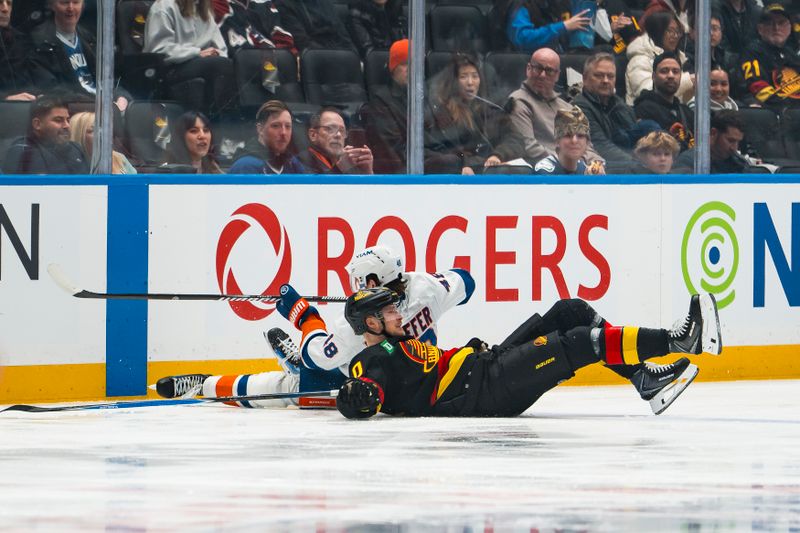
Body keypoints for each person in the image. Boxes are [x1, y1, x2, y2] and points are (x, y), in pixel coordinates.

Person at [154, 244, 476, 408]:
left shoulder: (359, 323)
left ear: (373, 281)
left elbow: (315, 356)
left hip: (383, 390)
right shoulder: (428, 287)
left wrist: (303, 316)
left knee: (291, 388)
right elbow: (467, 281)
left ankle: (206, 385)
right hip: (423, 383)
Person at [335, 287, 721, 419]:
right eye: (388, 311)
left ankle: (645, 381)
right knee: (578, 341)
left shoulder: (396, 343)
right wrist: (358, 397)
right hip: (485, 390)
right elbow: (368, 389)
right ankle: (676, 341)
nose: (398, 313)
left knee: (571, 310)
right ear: (371, 324)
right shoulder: (372, 359)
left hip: (489, 366)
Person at [425, 54, 525, 175]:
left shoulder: (490, 110)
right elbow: (443, 151)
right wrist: (465, 164)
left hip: (490, 169)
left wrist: (497, 155)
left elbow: (514, 139)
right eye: (463, 77)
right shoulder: (441, 114)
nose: (470, 82)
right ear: (453, 82)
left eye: (475, 76)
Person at [508, 48, 603, 166]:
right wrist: (572, 163)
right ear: (528, 69)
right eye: (538, 68)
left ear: (557, 75)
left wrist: (596, 163)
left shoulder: (567, 107)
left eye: (549, 71)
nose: (542, 75)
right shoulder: (517, 101)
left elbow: (586, 147)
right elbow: (530, 147)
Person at [144, 0, 235, 117]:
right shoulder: (164, 6)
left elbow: (220, 48)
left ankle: (225, 121)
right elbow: (159, 50)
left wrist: (216, 53)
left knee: (227, 64)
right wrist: (196, 53)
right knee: (219, 65)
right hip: (170, 68)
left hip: (201, 64)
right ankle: (222, 122)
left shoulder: (204, 10)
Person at [572, 52, 654, 165]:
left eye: (610, 76)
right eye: (599, 75)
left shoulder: (622, 106)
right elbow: (601, 146)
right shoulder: (579, 108)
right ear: (585, 78)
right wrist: (640, 165)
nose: (606, 81)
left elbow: (637, 141)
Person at [2, 94, 88, 174]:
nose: (67, 125)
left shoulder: (76, 149)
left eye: (67, 120)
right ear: (37, 124)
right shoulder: (24, 151)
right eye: (58, 120)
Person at [29, 0, 98, 98]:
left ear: (82, 5)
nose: (70, 8)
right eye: (65, 2)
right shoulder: (39, 42)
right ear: (52, 5)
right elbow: (51, 88)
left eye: (76, 2)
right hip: (72, 106)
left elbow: (111, 79)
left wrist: (120, 96)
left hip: (99, 104)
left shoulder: (89, 38)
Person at [736, 2, 800, 109]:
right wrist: (786, 106)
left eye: (781, 23)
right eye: (770, 23)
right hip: (773, 111)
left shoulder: (792, 55)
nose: (776, 28)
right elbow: (757, 86)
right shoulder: (752, 53)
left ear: (789, 28)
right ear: (760, 29)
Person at [625, 11, 693, 105]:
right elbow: (647, 92)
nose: (675, 36)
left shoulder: (680, 59)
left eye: (678, 32)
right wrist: (687, 81)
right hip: (646, 114)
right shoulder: (639, 59)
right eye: (670, 31)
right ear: (657, 31)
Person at [362, 38, 408, 173]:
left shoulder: (426, 98)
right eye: (405, 64)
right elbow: (394, 148)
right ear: (393, 68)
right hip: (406, 170)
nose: (412, 69)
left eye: (417, 64)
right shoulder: (381, 101)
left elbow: (441, 138)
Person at [634, 51, 695, 152]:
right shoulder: (642, 109)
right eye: (664, 71)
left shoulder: (686, 112)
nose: (671, 75)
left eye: (675, 71)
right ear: (653, 76)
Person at [228, 99, 305, 174]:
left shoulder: (292, 164)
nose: (283, 132)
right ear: (260, 129)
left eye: (288, 126)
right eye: (275, 126)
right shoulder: (245, 166)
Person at [489, 0, 592, 53]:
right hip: (525, 62)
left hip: (558, 57)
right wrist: (563, 26)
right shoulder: (520, 6)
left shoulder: (553, 4)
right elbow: (522, 39)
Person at [299, 107, 374, 174]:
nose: (338, 135)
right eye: (330, 129)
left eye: (342, 130)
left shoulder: (347, 163)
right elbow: (316, 188)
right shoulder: (299, 162)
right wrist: (339, 169)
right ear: (313, 135)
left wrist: (367, 173)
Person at [533, 108, 606, 175]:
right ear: (557, 141)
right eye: (568, 135)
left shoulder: (585, 170)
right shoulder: (545, 171)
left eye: (580, 136)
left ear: (587, 143)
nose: (574, 141)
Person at [677, 109, 751, 173]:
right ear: (713, 133)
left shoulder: (740, 164)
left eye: (738, 142)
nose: (734, 148)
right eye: (730, 141)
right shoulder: (688, 162)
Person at [69, 111, 137, 174]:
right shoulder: (70, 163)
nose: (100, 134)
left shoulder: (118, 158)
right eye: (92, 130)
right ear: (78, 135)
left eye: (102, 129)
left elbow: (136, 184)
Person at [274, 0, 355, 52]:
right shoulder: (284, 4)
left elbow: (343, 34)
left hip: (339, 51)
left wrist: (354, 56)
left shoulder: (325, 2)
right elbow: (301, 41)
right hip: (313, 57)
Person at [0, 0, 38, 101]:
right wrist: (5, 99)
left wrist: (40, 95)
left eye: (9, 3)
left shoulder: (20, 40)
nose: (5, 9)